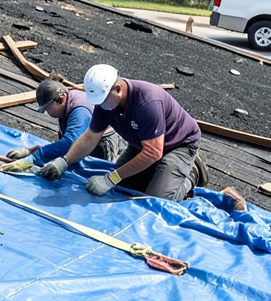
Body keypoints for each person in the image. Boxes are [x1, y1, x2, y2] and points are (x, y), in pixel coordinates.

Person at [40, 65, 207, 201]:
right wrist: (64, 161)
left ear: (118, 89)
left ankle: (191, 173)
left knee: (157, 199)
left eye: (103, 101)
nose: (100, 106)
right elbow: (90, 137)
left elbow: (153, 152)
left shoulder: (147, 102)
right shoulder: (104, 103)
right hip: (142, 142)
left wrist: (110, 179)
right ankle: (162, 174)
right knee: (124, 187)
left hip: (178, 145)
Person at [2, 76, 123, 173]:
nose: (47, 114)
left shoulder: (79, 111)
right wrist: (30, 151)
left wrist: (34, 157)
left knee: (92, 179)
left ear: (61, 99)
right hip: (88, 141)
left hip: (101, 146)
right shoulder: (66, 103)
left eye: (47, 109)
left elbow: (71, 142)